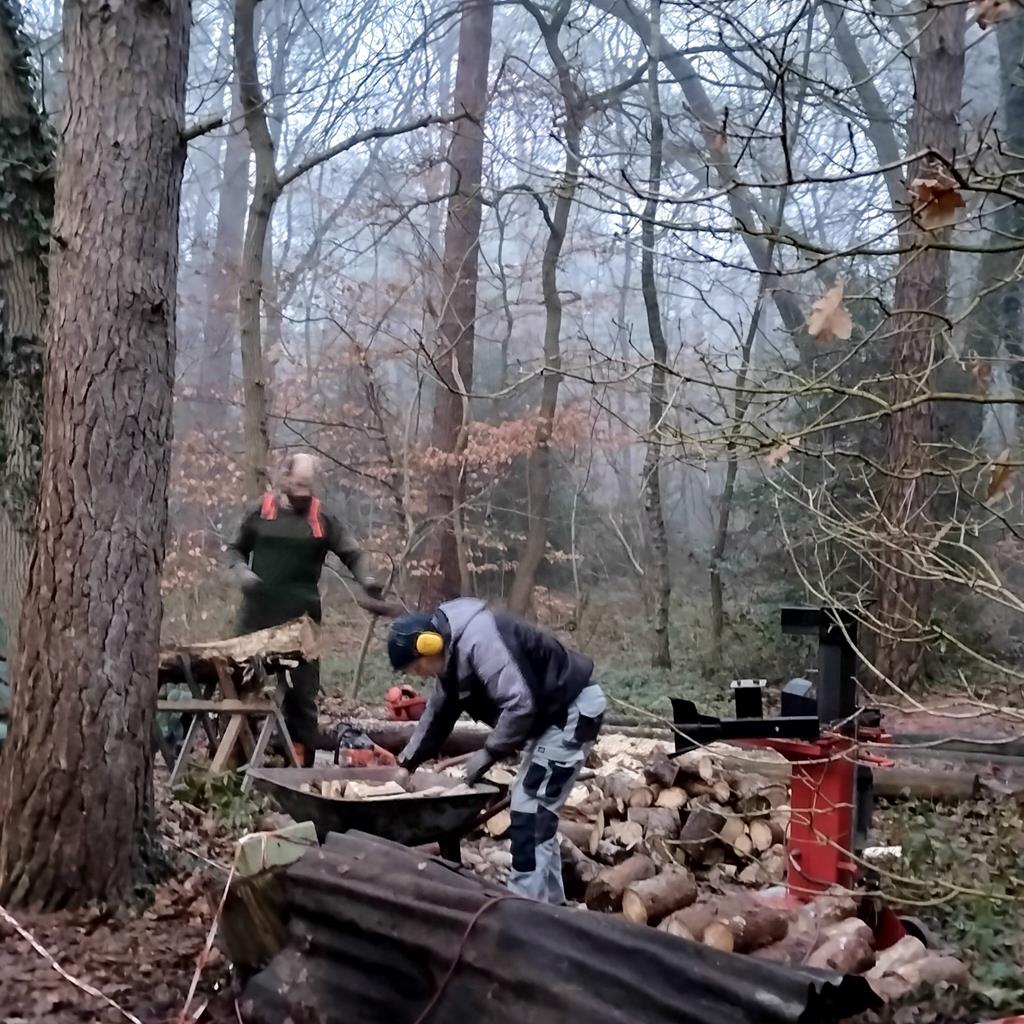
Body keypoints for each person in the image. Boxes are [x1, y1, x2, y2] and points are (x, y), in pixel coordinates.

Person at [387, 597, 606, 904]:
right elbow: (438, 714)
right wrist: (406, 764)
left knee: (530, 810)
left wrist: (489, 753)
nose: (420, 675)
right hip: (552, 717)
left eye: (416, 666)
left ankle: (524, 909)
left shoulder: (480, 640)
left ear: (429, 644)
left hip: (570, 712)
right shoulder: (452, 658)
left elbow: (520, 704)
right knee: (533, 807)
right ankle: (552, 906)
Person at [227, 452, 382, 766]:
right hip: (256, 618)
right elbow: (234, 549)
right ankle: (235, 763)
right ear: (284, 479)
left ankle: (300, 769)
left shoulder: (321, 518)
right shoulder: (260, 511)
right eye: (298, 485)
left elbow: (351, 552)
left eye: (308, 487)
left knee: (301, 698)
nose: (303, 493)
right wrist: (243, 574)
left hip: (302, 624)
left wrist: (365, 579)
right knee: (240, 690)